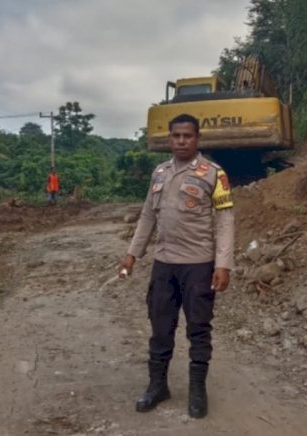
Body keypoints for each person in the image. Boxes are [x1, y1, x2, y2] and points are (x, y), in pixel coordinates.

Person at [119, 113, 235, 419]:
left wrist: (223, 264)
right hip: (164, 265)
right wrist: (133, 253)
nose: (181, 141)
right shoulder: (159, 173)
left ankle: (198, 390)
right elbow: (147, 216)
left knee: (198, 329)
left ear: (197, 139)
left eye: (187, 136)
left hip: (198, 265)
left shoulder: (214, 173)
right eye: (176, 136)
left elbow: (225, 220)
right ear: (170, 139)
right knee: (160, 328)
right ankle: (158, 386)